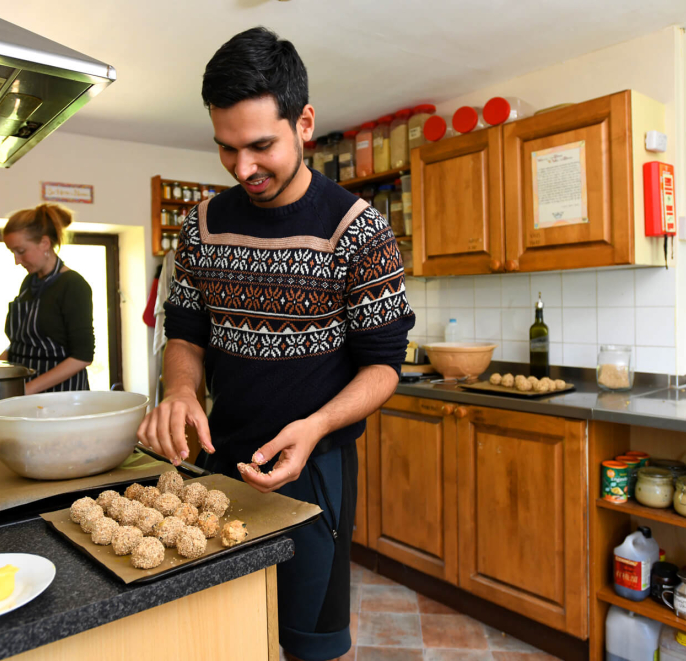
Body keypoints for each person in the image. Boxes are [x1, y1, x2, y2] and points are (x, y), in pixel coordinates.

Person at [137, 27, 414, 661]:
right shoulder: (201, 226)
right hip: (218, 463)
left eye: (261, 146)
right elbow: (186, 333)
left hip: (314, 470)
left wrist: (315, 427)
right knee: (222, 633)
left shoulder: (359, 230)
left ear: (304, 123)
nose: (243, 169)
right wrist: (180, 391)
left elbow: (384, 368)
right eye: (226, 147)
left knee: (308, 643)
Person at [0, 203, 94, 393]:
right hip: (25, 393)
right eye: (12, 252)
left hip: (61, 397)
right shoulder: (29, 283)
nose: (16, 260)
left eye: (21, 251)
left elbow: (82, 357)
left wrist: (26, 390)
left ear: (44, 243)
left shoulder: (73, 285)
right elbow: (20, 345)